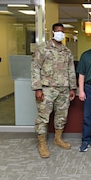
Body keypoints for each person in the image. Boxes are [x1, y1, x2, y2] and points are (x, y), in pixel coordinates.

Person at [31, 22, 77, 158]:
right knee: (43, 117)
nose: (60, 33)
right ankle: (42, 143)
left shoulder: (66, 51)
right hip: (47, 89)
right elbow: (35, 68)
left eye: (62, 31)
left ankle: (58, 139)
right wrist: (37, 88)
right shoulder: (43, 48)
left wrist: (72, 88)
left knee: (61, 116)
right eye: (58, 31)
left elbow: (71, 70)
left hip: (63, 89)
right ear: (52, 32)